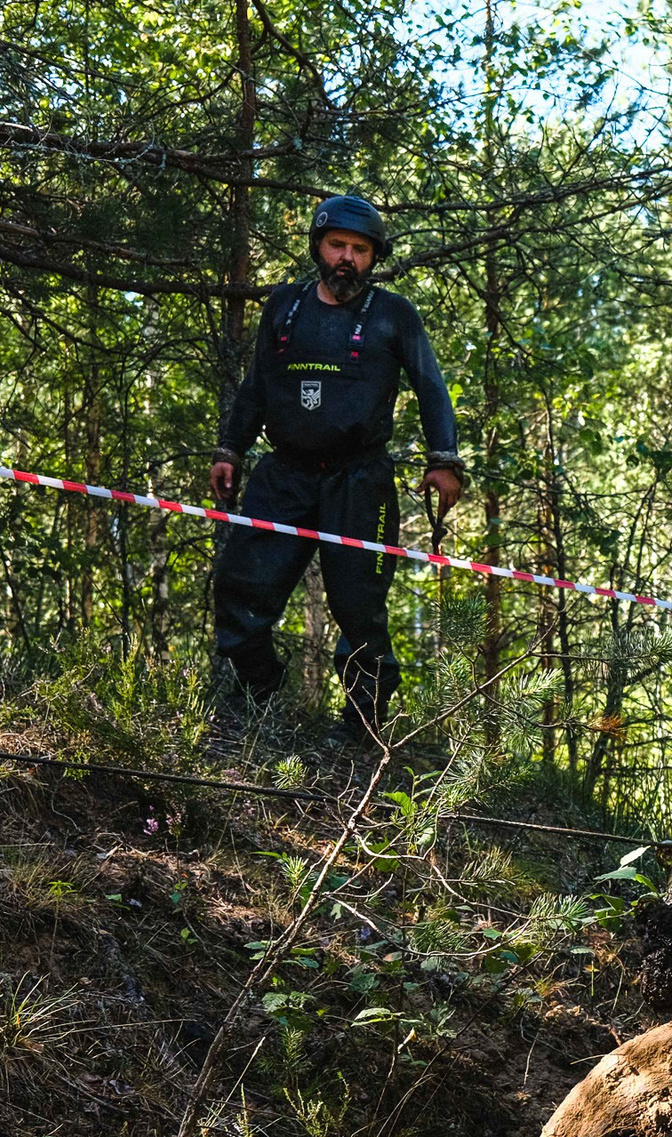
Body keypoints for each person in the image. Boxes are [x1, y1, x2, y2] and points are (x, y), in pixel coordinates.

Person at [210, 194, 464, 738]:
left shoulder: (394, 314)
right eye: (337, 245)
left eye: (360, 249)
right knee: (239, 586)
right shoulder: (284, 306)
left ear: (374, 257)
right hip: (283, 475)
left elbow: (431, 388)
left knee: (359, 608)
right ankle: (257, 693)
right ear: (317, 246)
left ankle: (362, 726)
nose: (347, 257)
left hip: (360, 482)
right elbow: (256, 386)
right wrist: (230, 449)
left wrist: (444, 460)